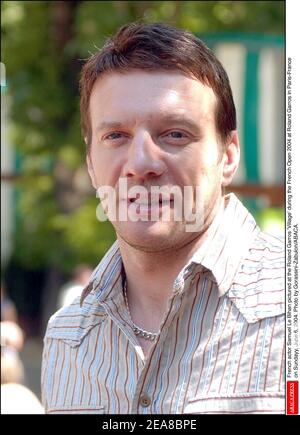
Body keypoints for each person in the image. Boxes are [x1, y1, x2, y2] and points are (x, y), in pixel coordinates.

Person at [41, 22, 284, 414]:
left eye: (174, 134)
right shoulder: (67, 339)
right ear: (90, 163)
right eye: (116, 136)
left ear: (229, 155)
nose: (141, 163)